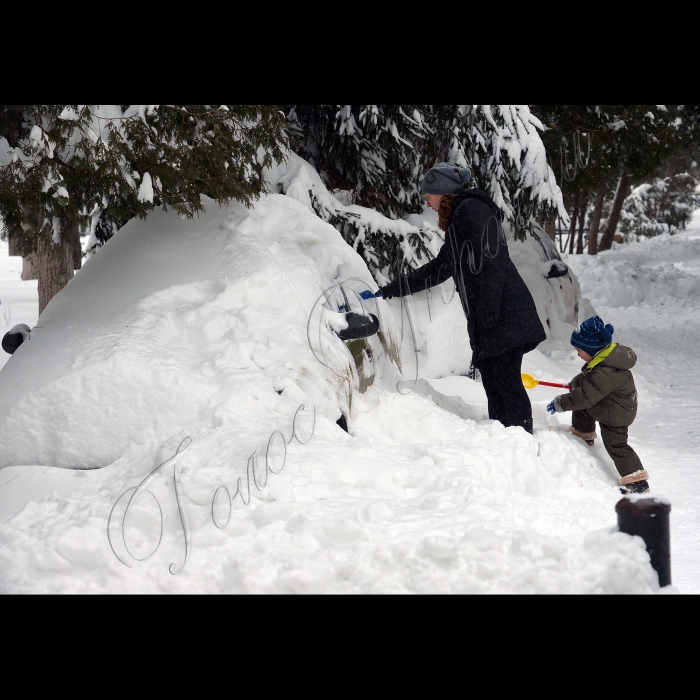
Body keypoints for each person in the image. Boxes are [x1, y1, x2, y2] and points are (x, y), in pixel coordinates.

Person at [378, 162, 546, 435]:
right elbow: (440, 268)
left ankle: (521, 441)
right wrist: (395, 287)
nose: (427, 202)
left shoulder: (472, 210)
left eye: (428, 195)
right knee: (495, 384)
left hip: (503, 313)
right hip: (488, 316)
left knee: (506, 383)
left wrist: (490, 307)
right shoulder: (459, 220)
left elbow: (494, 257)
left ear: (443, 191)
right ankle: (507, 441)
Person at [547, 316, 650, 495]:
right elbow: (589, 378)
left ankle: (638, 483)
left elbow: (586, 396)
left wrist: (561, 403)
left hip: (616, 415)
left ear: (591, 350)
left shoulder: (605, 372)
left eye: (579, 350)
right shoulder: (605, 358)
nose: (577, 353)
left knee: (616, 445)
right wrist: (575, 383)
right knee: (584, 408)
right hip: (611, 405)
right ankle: (582, 435)